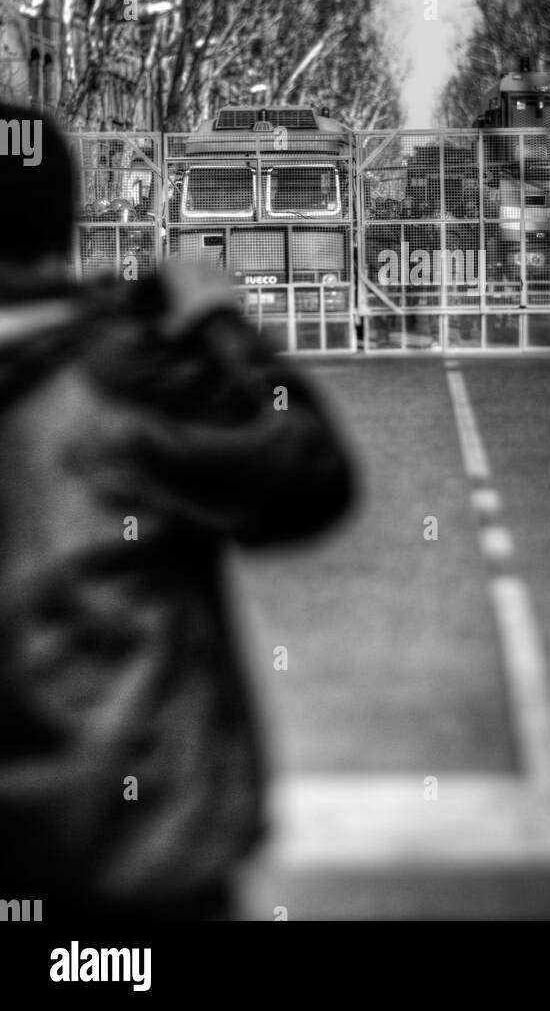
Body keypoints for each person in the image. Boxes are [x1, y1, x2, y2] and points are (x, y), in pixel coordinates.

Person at [0, 103, 354, 919]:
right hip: (138, 849)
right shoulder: (120, 373)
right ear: (62, 216)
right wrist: (217, 323)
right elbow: (307, 467)